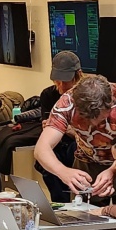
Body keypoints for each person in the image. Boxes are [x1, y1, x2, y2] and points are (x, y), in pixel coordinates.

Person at [33, 70, 116, 202]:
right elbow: (41, 149)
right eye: (86, 119)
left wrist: (113, 170)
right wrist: (63, 172)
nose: (94, 124)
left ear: (110, 104)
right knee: (82, 216)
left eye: (101, 118)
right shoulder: (67, 103)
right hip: (86, 163)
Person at [36, 50, 83, 202]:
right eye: (57, 81)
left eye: (66, 81)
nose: (61, 86)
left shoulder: (88, 95)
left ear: (78, 75)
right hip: (58, 142)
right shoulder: (48, 95)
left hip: (78, 144)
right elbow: (47, 125)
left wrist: (68, 129)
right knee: (46, 159)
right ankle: (60, 204)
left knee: (75, 151)